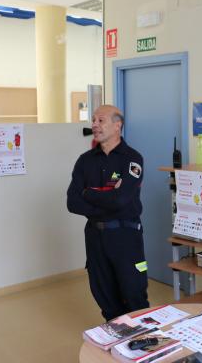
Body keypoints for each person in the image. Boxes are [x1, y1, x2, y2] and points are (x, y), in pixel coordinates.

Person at [67, 105, 149, 321]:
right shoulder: (85, 161)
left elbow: (121, 199)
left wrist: (89, 193)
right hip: (95, 237)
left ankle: (146, 346)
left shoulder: (132, 159)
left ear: (117, 125)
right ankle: (118, 343)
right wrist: (107, 197)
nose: (94, 124)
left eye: (100, 120)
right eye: (93, 120)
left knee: (134, 294)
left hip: (126, 236)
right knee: (103, 293)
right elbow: (72, 202)